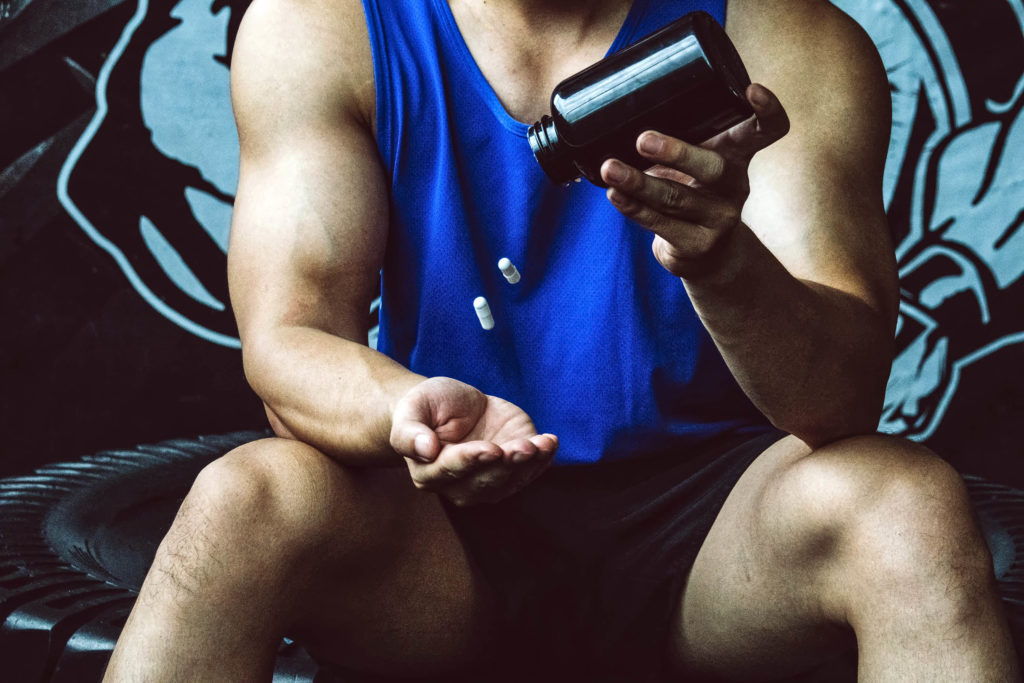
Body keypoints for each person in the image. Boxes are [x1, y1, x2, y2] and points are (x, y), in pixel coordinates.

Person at [103, 0, 1020, 680]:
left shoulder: (788, 40)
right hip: (446, 550)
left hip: (715, 544)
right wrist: (404, 412)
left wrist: (721, 260)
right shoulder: (324, 27)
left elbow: (841, 398)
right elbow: (288, 338)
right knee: (244, 499)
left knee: (905, 508)